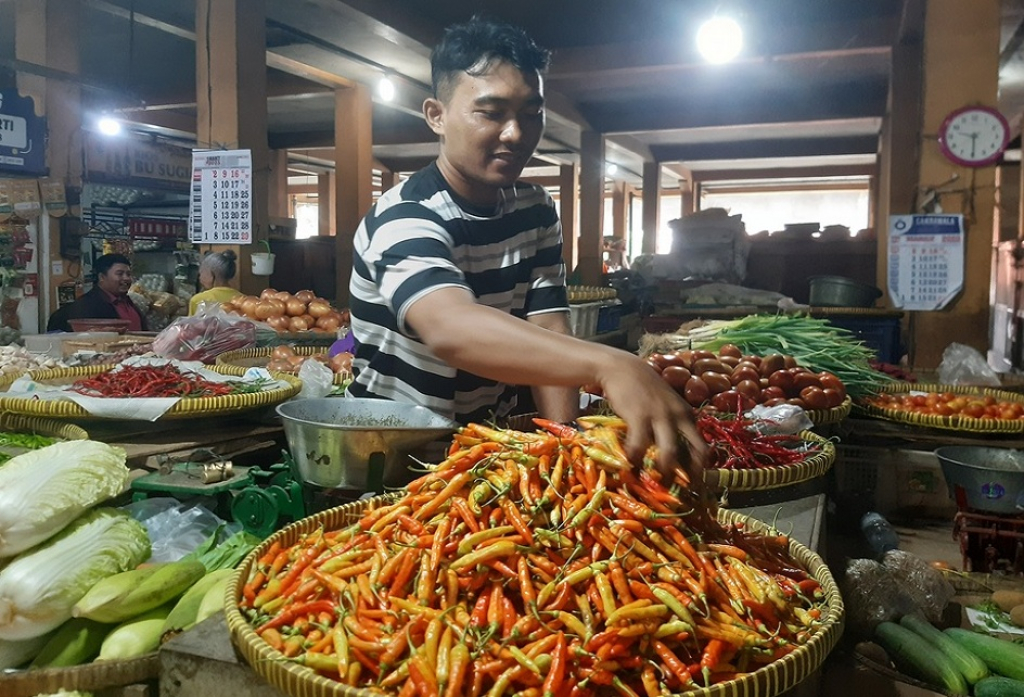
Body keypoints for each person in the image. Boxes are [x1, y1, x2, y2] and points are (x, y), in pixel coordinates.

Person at [347, 16, 705, 476]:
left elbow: (550, 329)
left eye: (531, 114)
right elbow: (450, 328)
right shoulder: (405, 216)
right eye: (491, 113)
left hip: (481, 451)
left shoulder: (534, 209)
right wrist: (608, 365)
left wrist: (569, 448)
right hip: (390, 458)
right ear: (436, 115)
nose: (516, 133)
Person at [47, 253, 147, 332]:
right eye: (120, 274)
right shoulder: (86, 306)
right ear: (102, 277)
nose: (126, 278)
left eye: (128, 274)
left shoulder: (129, 303)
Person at [189, 250, 241, 314]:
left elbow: (191, 323)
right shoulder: (242, 300)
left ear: (210, 274)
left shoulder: (198, 300)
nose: (199, 278)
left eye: (201, 273)